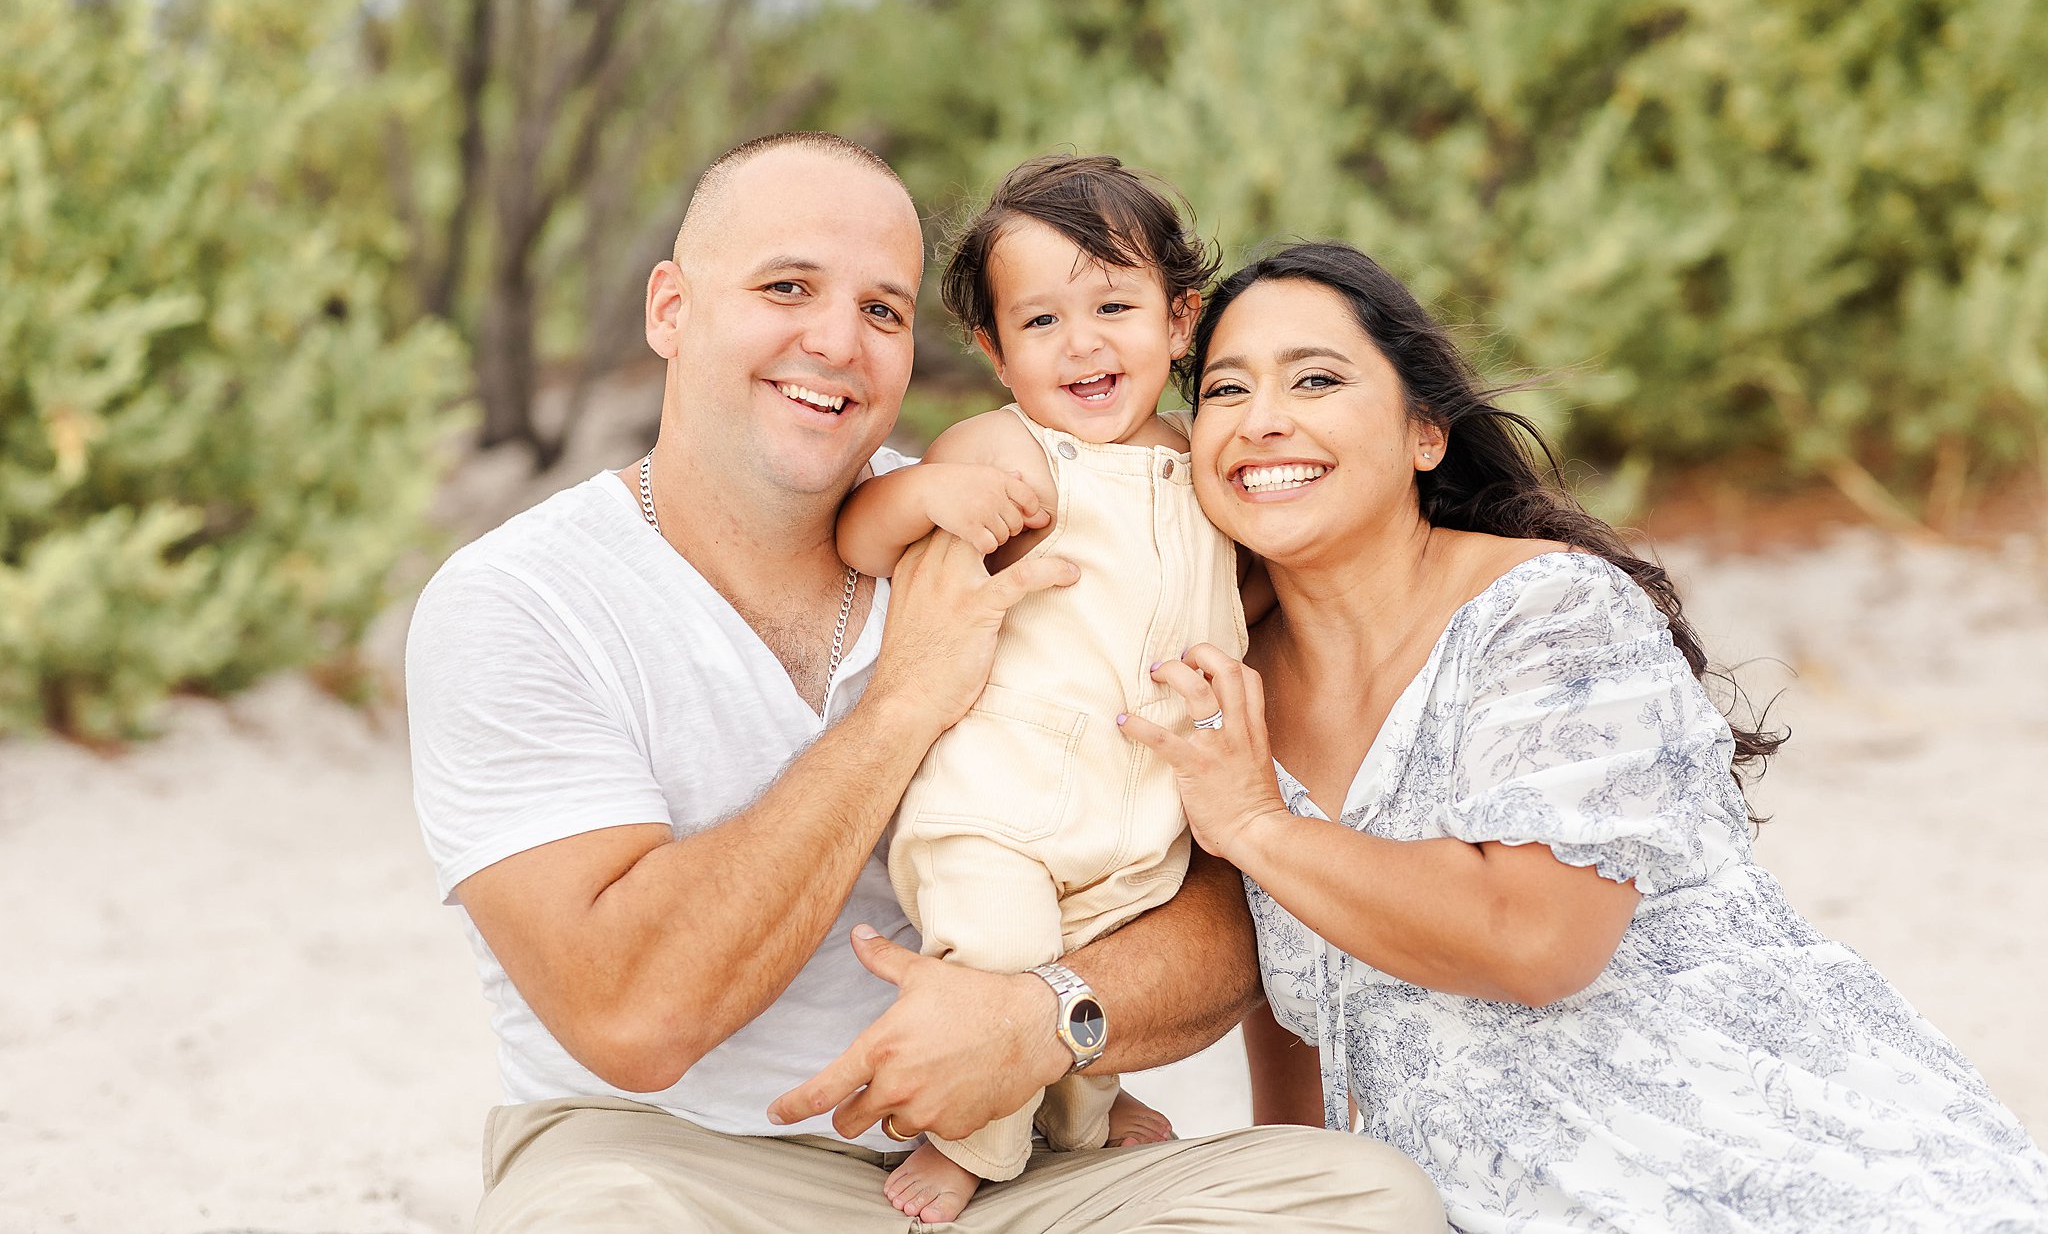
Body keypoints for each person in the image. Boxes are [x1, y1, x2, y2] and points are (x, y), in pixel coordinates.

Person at [406, 138, 1444, 1233]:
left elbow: (1231, 905)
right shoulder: (520, 600)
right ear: (669, 308)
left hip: (1018, 1166)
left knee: (1361, 1202)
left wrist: (1051, 1018)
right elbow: (632, 1018)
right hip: (682, 1169)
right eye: (786, 287)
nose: (834, 342)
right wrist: (904, 701)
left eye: (882, 311)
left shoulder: (1013, 521)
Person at [1118, 240, 2048, 1233]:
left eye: (1315, 379)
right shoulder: (1224, 682)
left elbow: (1535, 939)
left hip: (1749, 1163)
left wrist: (1257, 824)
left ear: (1425, 429)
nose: (1263, 420)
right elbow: (1303, 987)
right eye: (1224, 389)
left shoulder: (1550, 613)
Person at [833, 154, 1245, 1223]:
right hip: (1000, 799)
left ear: (1179, 319)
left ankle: (1080, 1113)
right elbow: (862, 536)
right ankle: (970, 1144)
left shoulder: (1203, 462)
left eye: (1115, 305)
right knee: (1003, 954)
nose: (1084, 344)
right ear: (994, 349)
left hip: (1141, 803)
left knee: (1099, 962)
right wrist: (928, 490)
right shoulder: (1000, 450)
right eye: (1042, 322)